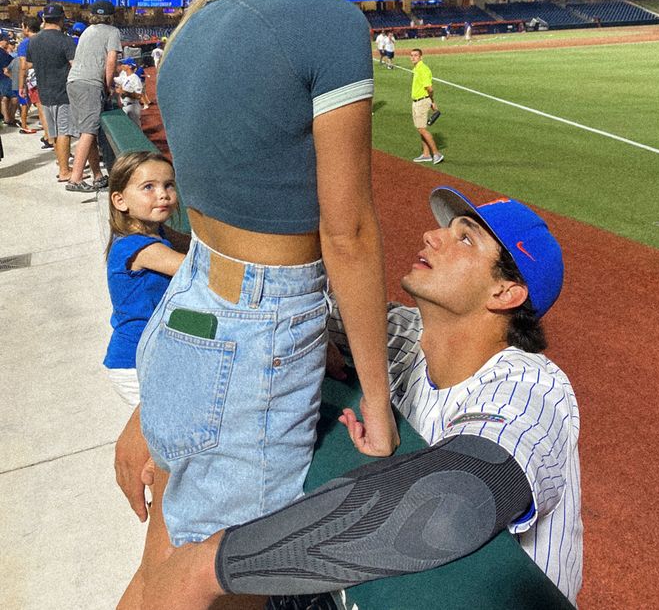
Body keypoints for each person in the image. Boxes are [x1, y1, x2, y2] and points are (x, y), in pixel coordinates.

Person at [117, 0, 398, 608]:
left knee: (159, 576)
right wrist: (379, 403)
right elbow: (350, 231)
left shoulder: (182, 41)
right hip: (255, 340)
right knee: (220, 589)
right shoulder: (329, 24)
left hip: (189, 319)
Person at [128, 187, 582, 609]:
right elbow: (254, 324)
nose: (432, 235)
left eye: (465, 240)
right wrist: (149, 412)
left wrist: (211, 566)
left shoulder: (533, 387)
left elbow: (455, 501)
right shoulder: (400, 333)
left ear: (506, 292)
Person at [104, 151, 185, 407]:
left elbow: (197, 246)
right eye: (148, 187)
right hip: (135, 363)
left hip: (152, 354)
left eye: (168, 185)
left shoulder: (156, 231)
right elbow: (196, 266)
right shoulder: (138, 247)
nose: (163, 194)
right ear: (120, 200)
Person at [65, 0, 122, 192]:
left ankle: (97, 175)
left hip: (73, 82)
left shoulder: (87, 31)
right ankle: (75, 179)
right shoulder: (112, 31)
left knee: (86, 131)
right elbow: (111, 60)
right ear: (110, 16)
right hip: (90, 83)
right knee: (89, 131)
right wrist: (108, 85)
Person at [23, 6, 77, 181]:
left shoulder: (34, 41)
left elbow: (28, 65)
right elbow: (75, 66)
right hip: (62, 92)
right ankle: (64, 170)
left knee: (54, 132)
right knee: (64, 132)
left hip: (44, 92)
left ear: (45, 19)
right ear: (61, 19)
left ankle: (61, 163)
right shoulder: (65, 40)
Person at [409, 48, 442, 164]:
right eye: (412, 55)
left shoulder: (423, 69)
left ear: (421, 57)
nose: (413, 57)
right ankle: (426, 154)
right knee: (421, 128)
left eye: (416, 55)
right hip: (417, 101)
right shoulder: (417, 69)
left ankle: (437, 154)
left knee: (422, 129)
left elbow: (430, 88)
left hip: (422, 102)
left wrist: (432, 101)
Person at [15, 17, 43, 135]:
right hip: (51, 76)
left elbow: (23, 66)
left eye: (22, 26)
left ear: (27, 28)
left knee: (40, 107)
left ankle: (49, 138)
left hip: (34, 80)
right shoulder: (44, 39)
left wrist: (21, 85)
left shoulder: (25, 43)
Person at [115, 58, 144, 127]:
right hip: (125, 107)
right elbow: (115, 80)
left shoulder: (135, 78)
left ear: (130, 66)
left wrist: (125, 92)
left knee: (136, 130)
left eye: (125, 64)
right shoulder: (125, 78)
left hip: (133, 107)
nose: (122, 65)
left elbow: (139, 96)